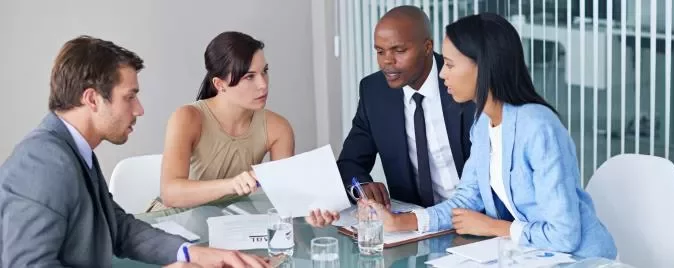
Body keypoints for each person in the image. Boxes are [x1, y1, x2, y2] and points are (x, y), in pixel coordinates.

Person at [311, 13, 617, 259]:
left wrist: (493, 227)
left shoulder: (538, 126)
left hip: (580, 258)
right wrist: (397, 222)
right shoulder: (484, 124)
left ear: (482, 68)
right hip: (526, 255)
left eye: (452, 65)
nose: (442, 73)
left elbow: (564, 234)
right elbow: (465, 199)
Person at [0, 36, 270, 267]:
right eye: (129, 97)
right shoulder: (43, 164)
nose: (139, 109)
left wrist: (192, 252)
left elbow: (119, 228)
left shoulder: (73, 151)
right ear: (92, 99)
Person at [335, 5, 475, 211]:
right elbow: (349, 164)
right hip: (414, 224)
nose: (386, 61)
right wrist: (361, 186)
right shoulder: (374, 92)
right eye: (380, 52)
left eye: (399, 51)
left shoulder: (462, 81)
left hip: (475, 218)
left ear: (427, 47)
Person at [148, 31, 295, 213]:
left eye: (264, 71)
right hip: (174, 219)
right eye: (249, 77)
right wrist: (231, 185)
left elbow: (285, 199)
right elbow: (170, 194)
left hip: (230, 222)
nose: (263, 84)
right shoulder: (187, 118)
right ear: (219, 84)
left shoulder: (278, 128)